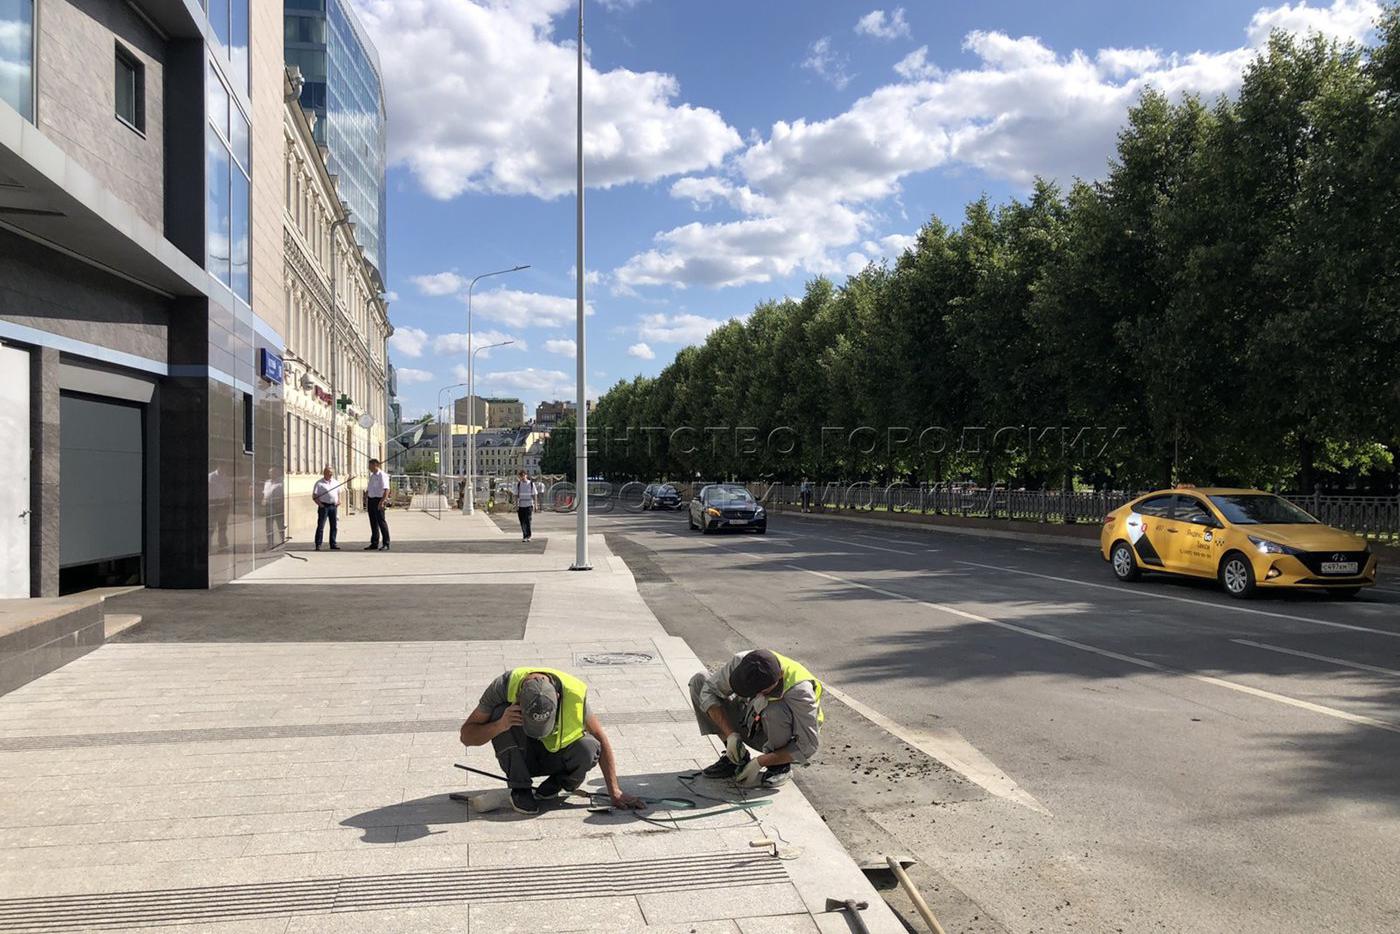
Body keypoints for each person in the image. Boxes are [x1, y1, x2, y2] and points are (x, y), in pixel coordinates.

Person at [459, 666, 645, 815]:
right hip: (522, 757)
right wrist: (500, 725)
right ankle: (520, 789)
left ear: (557, 697)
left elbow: (600, 738)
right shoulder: (502, 687)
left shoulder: (573, 693)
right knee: (498, 713)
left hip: (555, 757)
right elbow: (466, 736)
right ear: (518, 698)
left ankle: (557, 783)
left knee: (590, 746)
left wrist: (615, 791)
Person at [689, 649, 824, 788]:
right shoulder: (743, 662)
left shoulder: (800, 690)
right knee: (699, 681)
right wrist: (730, 735)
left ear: (780, 676)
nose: (757, 695)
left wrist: (760, 762)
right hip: (749, 721)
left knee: (775, 709)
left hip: (776, 737)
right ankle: (735, 757)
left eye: (763, 691)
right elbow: (708, 691)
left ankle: (779, 766)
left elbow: (808, 745)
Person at [312, 466, 340, 551]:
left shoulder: (335, 482)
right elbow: (314, 496)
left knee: (334, 526)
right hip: (324, 506)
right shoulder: (319, 483)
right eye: (329, 472)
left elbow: (338, 493)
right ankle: (318, 544)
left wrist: (338, 501)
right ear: (324, 473)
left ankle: (333, 543)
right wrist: (320, 504)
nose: (330, 474)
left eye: (331, 472)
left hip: (333, 506)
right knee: (321, 526)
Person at [364, 458, 391, 551]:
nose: (369, 467)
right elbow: (369, 489)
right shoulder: (372, 476)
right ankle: (374, 542)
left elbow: (386, 489)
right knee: (373, 522)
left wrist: (383, 501)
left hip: (379, 500)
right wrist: (366, 497)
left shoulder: (382, 475)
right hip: (371, 500)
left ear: (375, 465)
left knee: (381, 522)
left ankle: (386, 543)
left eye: (370, 465)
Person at [513, 469, 535, 541]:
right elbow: (516, 495)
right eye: (521, 476)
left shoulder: (531, 484)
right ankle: (525, 536)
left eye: (523, 475)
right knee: (522, 521)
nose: (522, 477)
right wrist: (516, 505)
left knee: (528, 520)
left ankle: (528, 536)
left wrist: (535, 504)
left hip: (529, 505)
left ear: (526, 475)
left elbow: (535, 494)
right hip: (521, 505)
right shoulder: (518, 484)